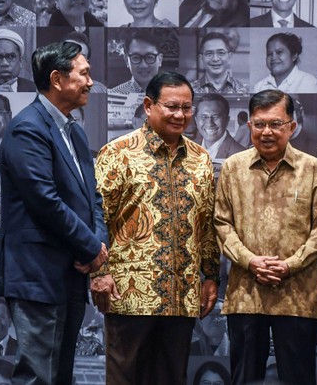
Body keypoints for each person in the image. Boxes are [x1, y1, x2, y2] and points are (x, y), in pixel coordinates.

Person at [91, 71, 220, 385]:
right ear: (148, 105)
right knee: (125, 378)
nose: (180, 115)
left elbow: (206, 224)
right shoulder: (118, 152)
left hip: (182, 296)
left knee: (172, 378)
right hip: (130, 294)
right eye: (171, 106)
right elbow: (96, 217)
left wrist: (211, 275)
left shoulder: (201, 158)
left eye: (187, 108)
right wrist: (99, 273)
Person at [0, 41, 109, 384]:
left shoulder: (73, 131)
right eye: (84, 73)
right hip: (37, 276)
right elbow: (45, 202)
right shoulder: (27, 128)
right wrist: (91, 248)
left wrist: (97, 246)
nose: (91, 82)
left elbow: (94, 199)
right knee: (36, 377)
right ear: (58, 79)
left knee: (60, 376)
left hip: (71, 273)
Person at [214, 89, 317, 385]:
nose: (266, 132)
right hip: (245, 294)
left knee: (298, 377)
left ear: (291, 126)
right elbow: (221, 223)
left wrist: (289, 265)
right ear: (249, 126)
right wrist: (250, 261)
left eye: (275, 124)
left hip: (297, 294)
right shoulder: (233, 167)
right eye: (259, 124)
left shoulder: (314, 169)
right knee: (244, 377)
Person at [253, 32, 317, 93]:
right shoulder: (259, 87)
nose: (273, 57)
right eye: (269, 54)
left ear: (294, 56)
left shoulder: (308, 83)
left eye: (279, 52)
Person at [193, 93, 245, 160]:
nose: (209, 123)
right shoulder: (187, 149)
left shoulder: (241, 156)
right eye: (204, 117)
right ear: (196, 120)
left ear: (227, 120)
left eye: (215, 116)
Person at [109, 30, 163, 95]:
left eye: (149, 57)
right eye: (136, 57)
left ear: (160, 59)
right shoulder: (113, 95)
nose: (143, 65)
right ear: (126, 60)